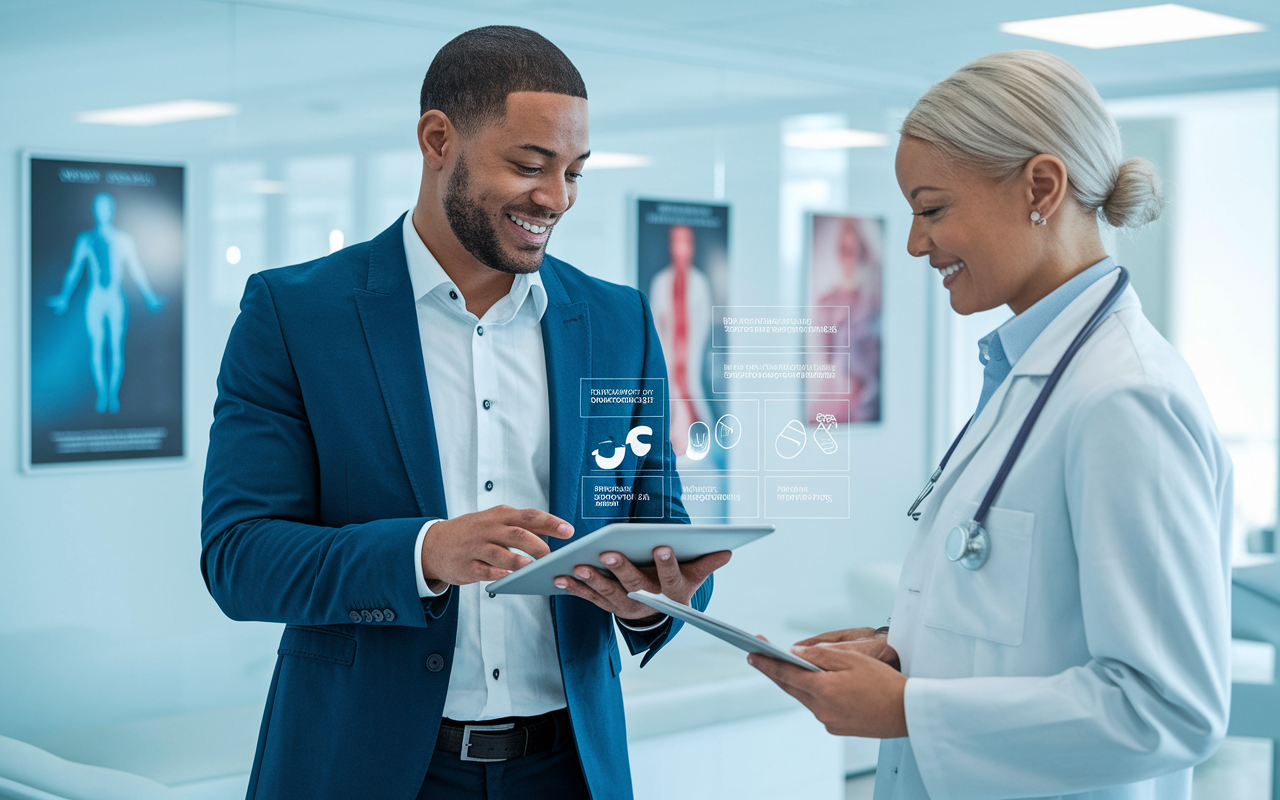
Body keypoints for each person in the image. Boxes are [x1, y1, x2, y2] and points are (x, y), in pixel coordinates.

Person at [201, 26, 729, 800]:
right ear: (437, 138)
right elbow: (240, 558)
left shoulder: (617, 322)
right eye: (528, 165)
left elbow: (658, 521)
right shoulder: (295, 314)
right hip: (365, 766)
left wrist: (662, 599)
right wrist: (425, 554)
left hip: (569, 769)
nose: (556, 198)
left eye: (574, 172)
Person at [749, 50, 1232, 800]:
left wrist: (911, 708)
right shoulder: (1031, 376)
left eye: (933, 209)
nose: (914, 243)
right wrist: (902, 655)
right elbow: (1033, 628)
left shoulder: (1126, 398)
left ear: (1041, 186)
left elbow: (1167, 709)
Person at [48, 191, 166, 414]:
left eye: (106, 207)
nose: (102, 212)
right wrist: (64, 297)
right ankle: (103, 395)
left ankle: (112, 395)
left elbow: (137, 271)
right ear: (95, 210)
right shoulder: (86, 239)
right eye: (98, 207)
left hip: (114, 297)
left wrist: (150, 298)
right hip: (96, 297)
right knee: (97, 347)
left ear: (112, 210)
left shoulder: (123, 240)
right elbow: (74, 270)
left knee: (115, 348)